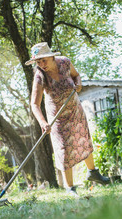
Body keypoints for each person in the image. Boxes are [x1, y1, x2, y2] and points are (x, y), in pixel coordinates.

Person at [26, 42, 110, 196]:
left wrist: (78, 84)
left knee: (83, 139)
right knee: (63, 149)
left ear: (52, 56)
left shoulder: (65, 62)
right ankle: (70, 188)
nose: (42, 64)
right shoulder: (39, 76)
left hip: (75, 110)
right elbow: (34, 104)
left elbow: (76, 76)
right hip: (57, 118)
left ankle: (93, 173)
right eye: (38, 62)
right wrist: (43, 123)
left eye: (44, 60)